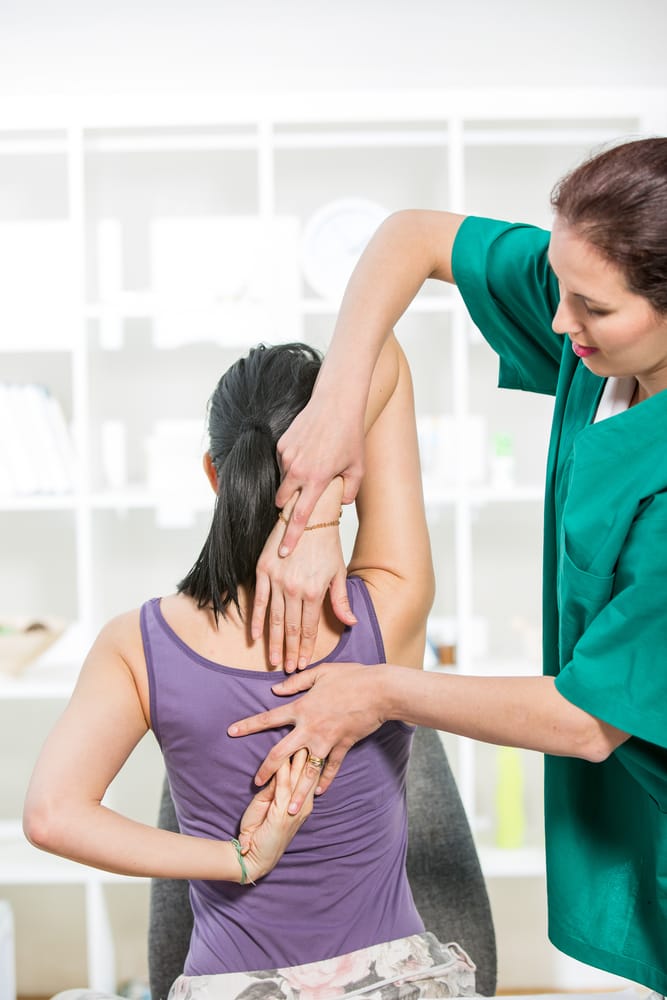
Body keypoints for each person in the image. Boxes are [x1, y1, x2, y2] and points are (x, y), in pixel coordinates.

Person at [229, 136, 667, 994]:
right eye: (556, 282)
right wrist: (326, 449)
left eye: (589, 307)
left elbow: (585, 722)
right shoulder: (604, 332)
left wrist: (379, 690)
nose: (555, 321)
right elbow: (412, 237)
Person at [23, 338, 480, 997]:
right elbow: (381, 351)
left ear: (214, 473)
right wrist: (316, 506)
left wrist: (240, 859)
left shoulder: (136, 643)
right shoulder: (388, 605)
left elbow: (52, 815)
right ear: (349, 473)